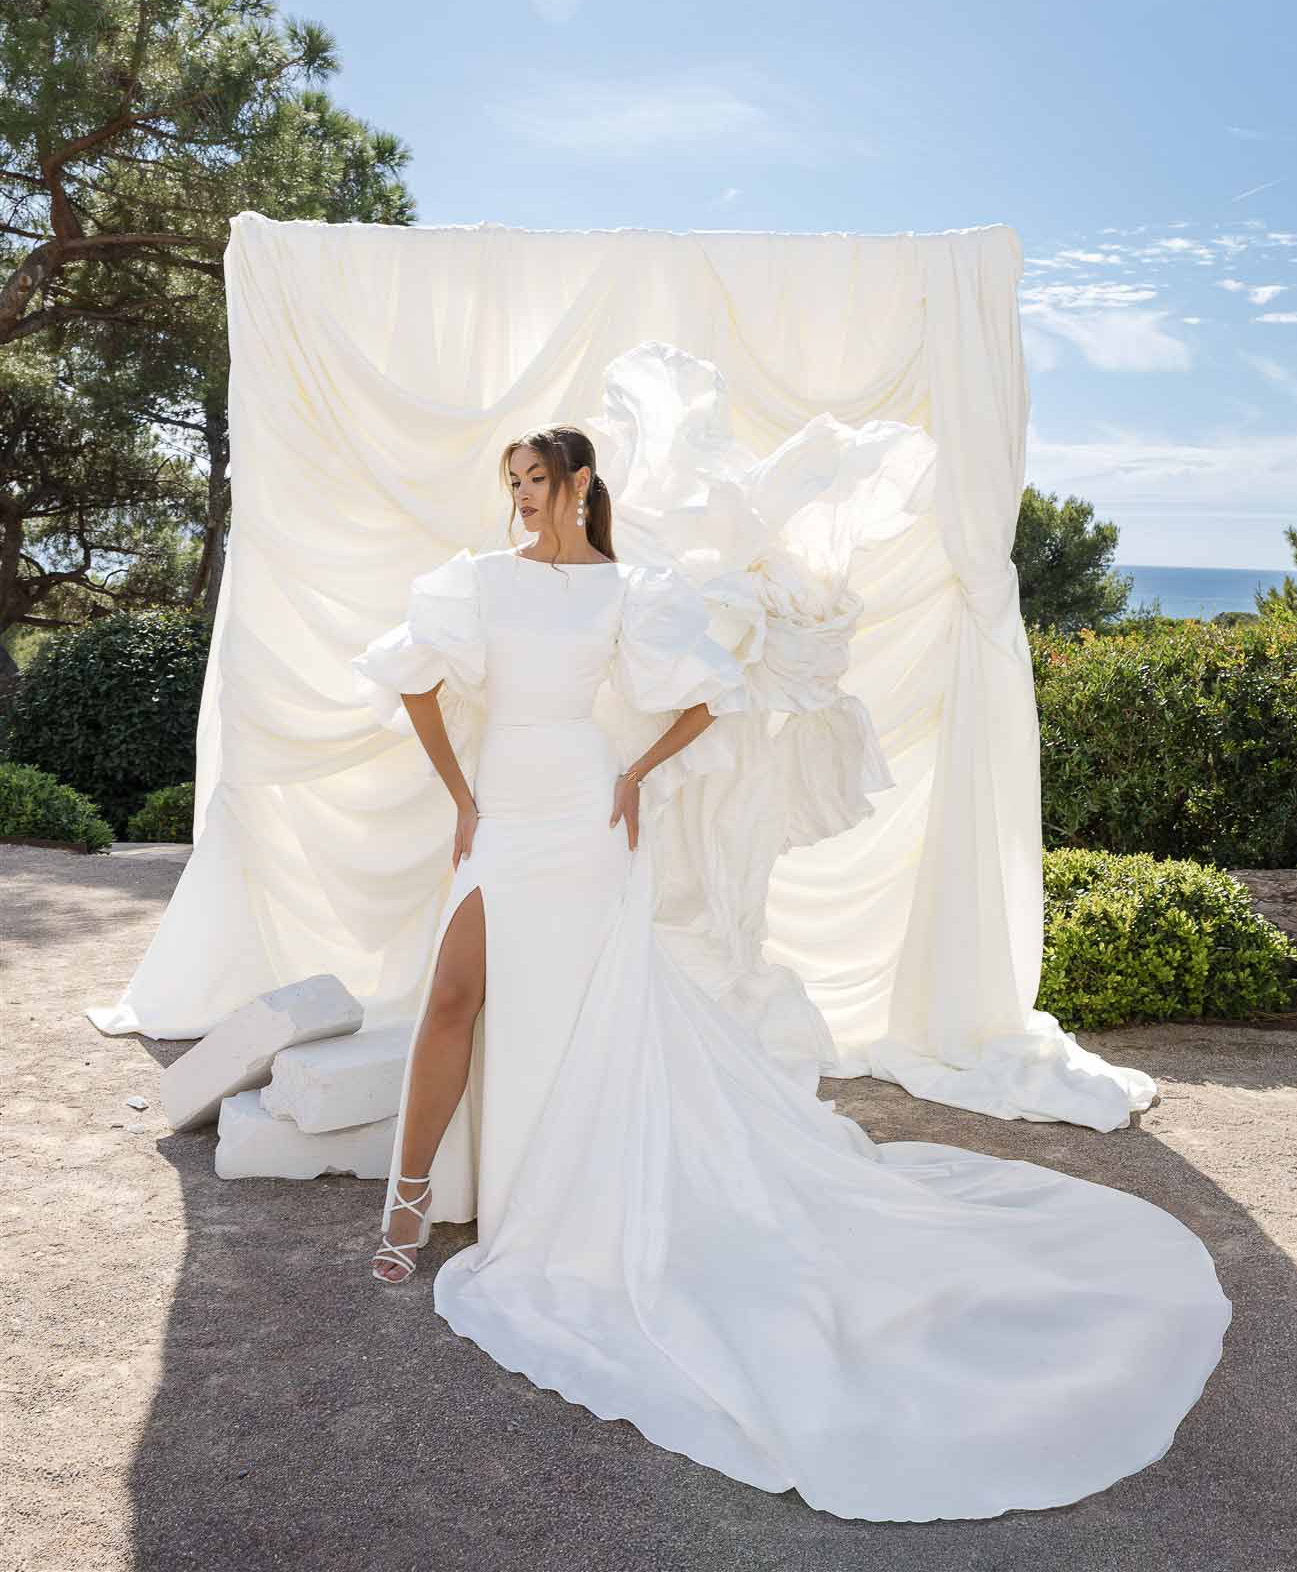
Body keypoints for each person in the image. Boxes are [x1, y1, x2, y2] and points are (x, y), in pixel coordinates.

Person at [350, 381, 1231, 1525]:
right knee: (455, 996)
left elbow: (710, 695)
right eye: (509, 481)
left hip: (586, 813)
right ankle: (408, 1197)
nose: (520, 498)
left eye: (536, 480)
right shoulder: (477, 580)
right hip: (505, 812)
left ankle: (562, 1191)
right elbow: (411, 677)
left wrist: (629, 773)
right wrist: (461, 795)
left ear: (578, 485)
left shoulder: (625, 588)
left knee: (586, 1012)